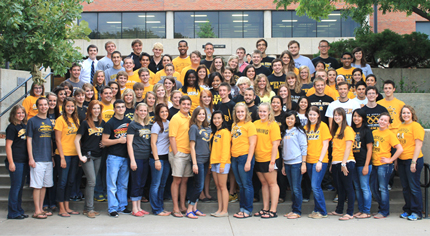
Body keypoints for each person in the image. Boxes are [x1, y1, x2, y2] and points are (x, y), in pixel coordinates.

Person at [74, 100, 105, 218]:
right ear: (90, 110)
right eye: (94, 108)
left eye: (98, 108)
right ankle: (90, 209)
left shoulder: (103, 123)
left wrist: (104, 144)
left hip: (99, 155)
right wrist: (80, 155)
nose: (96, 111)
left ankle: (87, 208)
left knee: (92, 182)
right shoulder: (85, 123)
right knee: (92, 181)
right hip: (88, 156)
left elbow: (105, 138)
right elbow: (77, 140)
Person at [370, 112, 403, 219]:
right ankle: (381, 208)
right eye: (381, 119)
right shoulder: (374, 132)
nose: (383, 122)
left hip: (384, 166)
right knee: (373, 187)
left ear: (389, 123)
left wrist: (391, 160)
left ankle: (384, 211)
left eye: (385, 120)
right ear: (378, 120)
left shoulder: (390, 134)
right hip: (374, 164)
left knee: (382, 188)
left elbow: (400, 149)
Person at [102, 99, 131, 217]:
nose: (120, 109)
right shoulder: (109, 123)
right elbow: (104, 141)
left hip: (125, 156)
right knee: (112, 184)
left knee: (123, 184)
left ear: (125, 108)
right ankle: (112, 208)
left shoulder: (129, 121)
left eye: (122, 107)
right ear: (114, 109)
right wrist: (119, 140)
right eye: (118, 107)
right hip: (113, 157)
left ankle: (122, 206)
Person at [397, 105, 425, 221]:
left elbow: (418, 145)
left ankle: (417, 212)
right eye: (404, 113)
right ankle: (407, 209)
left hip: (413, 159)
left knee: (414, 187)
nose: (406, 115)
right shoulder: (401, 126)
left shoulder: (416, 126)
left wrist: (414, 161)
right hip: (402, 160)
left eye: (408, 113)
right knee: (405, 187)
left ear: (412, 114)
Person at [27, 97, 54, 219]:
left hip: (48, 158)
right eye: (41, 105)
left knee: (44, 185)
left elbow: (51, 142)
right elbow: (29, 140)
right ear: (37, 107)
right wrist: (31, 158)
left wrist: (52, 157)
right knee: (37, 186)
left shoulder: (49, 121)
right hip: (37, 158)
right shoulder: (32, 121)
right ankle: (36, 210)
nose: (43, 107)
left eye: (45, 104)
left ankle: (41, 208)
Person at [253, 103, 281, 218]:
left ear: (269, 112)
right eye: (260, 111)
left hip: (270, 159)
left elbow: (276, 145)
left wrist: (272, 162)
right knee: (264, 184)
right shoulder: (255, 124)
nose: (262, 113)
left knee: (272, 184)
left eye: (264, 111)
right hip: (258, 158)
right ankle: (265, 208)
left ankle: (273, 210)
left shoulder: (273, 125)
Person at [328, 108, 356, 221]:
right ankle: (339, 210)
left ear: (343, 116)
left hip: (346, 162)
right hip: (336, 162)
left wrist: (344, 163)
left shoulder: (348, 129)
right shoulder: (336, 130)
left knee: (348, 187)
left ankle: (350, 212)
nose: (337, 117)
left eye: (339, 115)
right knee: (339, 188)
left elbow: (348, 147)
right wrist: (332, 163)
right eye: (335, 115)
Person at [54, 97, 80, 217]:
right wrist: (62, 157)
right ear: (64, 107)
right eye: (68, 106)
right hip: (63, 155)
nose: (70, 108)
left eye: (72, 106)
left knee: (70, 182)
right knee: (62, 182)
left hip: (74, 155)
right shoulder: (60, 120)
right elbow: (58, 140)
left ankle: (67, 206)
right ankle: (61, 208)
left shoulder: (76, 120)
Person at [231, 103, 257, 218]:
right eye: (238, 112)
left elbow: (252, 144)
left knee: (247, 184)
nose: (240, 113)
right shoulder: (234, 124)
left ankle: (247, 210)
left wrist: (248, 161)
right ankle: (242, 208)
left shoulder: (250, 125)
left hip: (245, 157)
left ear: (246, 112)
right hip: (235, 157)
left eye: (242, 111)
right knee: (240, 185)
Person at [304, 106, 331, 219]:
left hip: (320, 160)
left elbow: (326, 144)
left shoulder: (323, 126)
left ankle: (323, 211)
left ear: (318, 115)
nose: (312, 117)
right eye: (310, 114)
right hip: (309, 160)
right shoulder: (306, 127)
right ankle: (316, 210)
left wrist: (320, 160)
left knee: (315, 186)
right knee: (314, 186)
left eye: (314, 114)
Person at [185, 107, 211, 219]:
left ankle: (195, 209)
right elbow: (192, 146)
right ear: (195, 115)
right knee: (199, 186)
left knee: (198, 185)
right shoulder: (194, 128)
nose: (201, 116)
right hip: (198, 160)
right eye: (199, 114)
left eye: (203, 114)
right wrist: (194, 163)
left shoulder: (207, 127)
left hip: (206, 160)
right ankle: (189, 209)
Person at [169, 96, 193, 217]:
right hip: (178, 153)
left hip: (188, 153)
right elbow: (172, 137)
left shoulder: (190, 118)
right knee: (177, 180)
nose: (186, 106)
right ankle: (175, 208)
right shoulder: (175, 118)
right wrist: (176, 153)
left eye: (188, 104)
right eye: (184, 104)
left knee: (185, 180)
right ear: (179, 104)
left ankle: (183, 205)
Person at [127, 103, 152, 217]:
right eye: (141, 110)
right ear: (136, 111)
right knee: (136, 182)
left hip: (146, 157)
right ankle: (134, 208)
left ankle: (139, 207)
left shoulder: (148, 124)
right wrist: (132, 160)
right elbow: (129, 144)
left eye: (145, 111)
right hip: (136, 157)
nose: (143, 113)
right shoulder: (133, 125)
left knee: (142, 182)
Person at [281, 110, 307, 219]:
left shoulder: (299, 131)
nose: (289, 120)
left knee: (296, 188)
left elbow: (304, 147)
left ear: (295, 120)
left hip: (297, 163)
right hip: (287, 163)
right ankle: (293, 210)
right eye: (288, 118)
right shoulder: (284, 131)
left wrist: (303, 163)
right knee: (292, 188)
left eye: (292, 118)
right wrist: (283, 165)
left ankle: (297, 211)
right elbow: (283, 150)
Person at [5, 105, 28, 219]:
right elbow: (8, 146)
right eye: (18, 113)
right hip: (15, 161)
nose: (21, 115)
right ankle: (13, 212)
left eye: (22, 113)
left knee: (20, 187)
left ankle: (19, 209)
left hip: (23, 160)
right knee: (16, 186)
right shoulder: (11, 128)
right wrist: (11, 162)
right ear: (13, 114)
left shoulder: (23, 125)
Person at [351, 109, 374, 219]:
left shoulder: (367, 130)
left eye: (359, 116)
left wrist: (366, 165)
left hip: (363, 163)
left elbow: (370, 149)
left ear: (363, 118)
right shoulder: (350, 129)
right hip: (353, 163)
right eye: (355, 116)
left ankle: (367, 211)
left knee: (364, 187)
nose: (356, 118)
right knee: (357, 187)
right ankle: (361, 209)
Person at [150, 104, 172, 216]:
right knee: (156, 184)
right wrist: (156, 160)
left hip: (166, 158)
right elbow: (153, 143)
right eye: (162, 112)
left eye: (166, 111)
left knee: (162, 184)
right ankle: (156, 209)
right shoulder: (156, 125)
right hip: (157, 158)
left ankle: (160, 207)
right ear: (158, 113)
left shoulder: (169, 123)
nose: (164, 113)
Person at [209, 111, 231, 217]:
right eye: (214, 118)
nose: (216, 120)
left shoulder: (225, 132)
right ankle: (219, 209)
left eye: (218, 118)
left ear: (223, 119)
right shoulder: (214, 133)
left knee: (223, 186)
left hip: (223, 162)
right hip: (214, 162)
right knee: (218, 187)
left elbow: (226, 149)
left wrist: (222, 164)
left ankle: (225, 210)